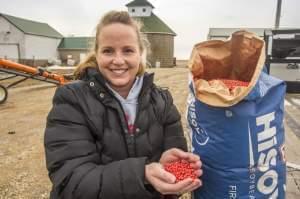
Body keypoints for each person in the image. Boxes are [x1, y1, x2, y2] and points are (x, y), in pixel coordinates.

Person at [44, 10, 202, 199]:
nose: (118, 61)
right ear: (97, 54)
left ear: (140, 54)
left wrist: (167, 168)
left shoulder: (162, 101)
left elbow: (172, 180)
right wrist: (142, 174)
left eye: (128, 50)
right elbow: (71, 181)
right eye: (108, 50)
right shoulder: (72, 99)